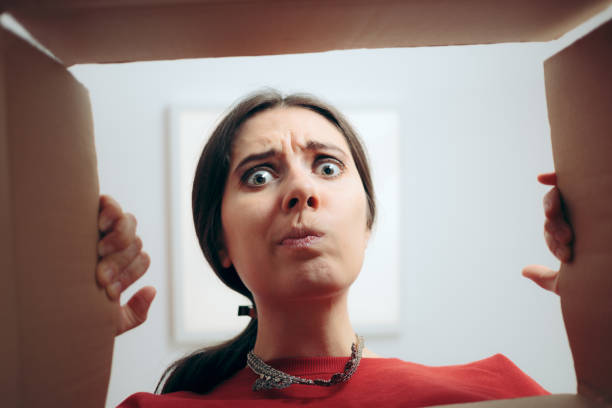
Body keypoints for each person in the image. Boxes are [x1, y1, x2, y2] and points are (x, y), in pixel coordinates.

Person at [94, 90, 574, 407]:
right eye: (259, 175)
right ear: (219, 240)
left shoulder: (496, 393)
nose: (302, 191)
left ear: (366, 223)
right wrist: (71, 356)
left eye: (326, 167)